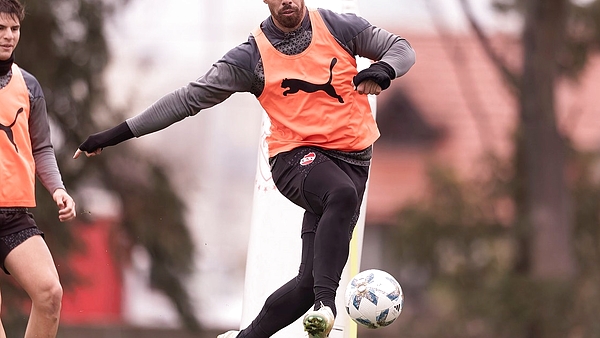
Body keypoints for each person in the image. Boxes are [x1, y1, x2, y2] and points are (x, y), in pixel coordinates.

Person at [74, 0, 415, 337]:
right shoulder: (250, 58)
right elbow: (186, 100)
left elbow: (400, 49)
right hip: (294, 159)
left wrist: (384, 69)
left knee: (308, 283)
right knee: (338, 197)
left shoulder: (339, 27)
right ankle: (326, 308)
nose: (286, 1)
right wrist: (115, 134)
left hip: (353, 163)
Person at [0, 0, 77, 337]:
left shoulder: (29, 86)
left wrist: (58, 189)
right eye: (0, 29)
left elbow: (42, 147)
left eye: (14, 28)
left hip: (14, 215)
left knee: (49, 294)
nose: (8, 36)